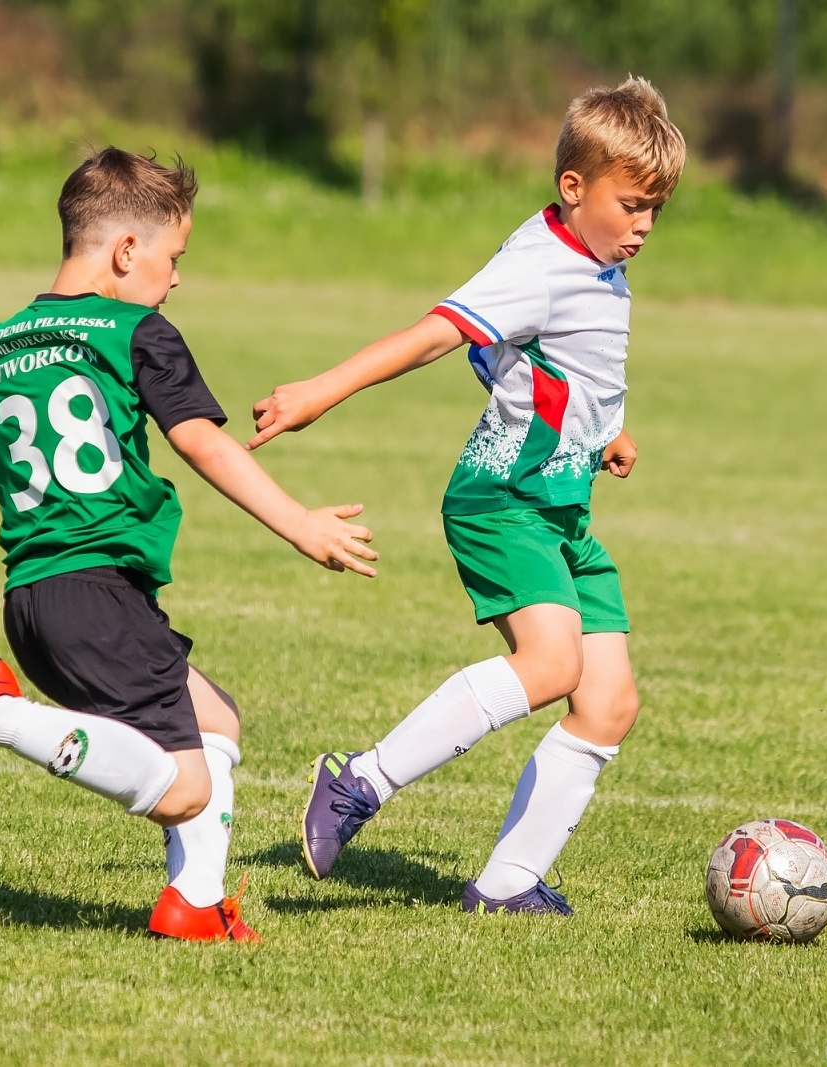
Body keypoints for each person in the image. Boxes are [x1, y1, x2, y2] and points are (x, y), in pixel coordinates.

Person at [0, 147, 378, 941]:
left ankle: (194, 903)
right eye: (174, 259)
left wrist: (11, 352)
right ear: (126, 250)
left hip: (35, 597)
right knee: (184, 790)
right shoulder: (137, 331)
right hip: (95, 593)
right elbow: (202, 442)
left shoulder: (0, 339)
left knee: (217, 718)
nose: (175, 280)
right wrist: (300, 522)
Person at [249, 78, 686, 915]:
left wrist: (609, 428)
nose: (643, 226)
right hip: (503, 500)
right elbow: (435, 336)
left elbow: (564, 361)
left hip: (561, 508)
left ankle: (507, 883)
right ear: (572, 187)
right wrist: (320, 391)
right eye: (631, 205)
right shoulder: (539, 265)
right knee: (553, 664)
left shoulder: (595, 256)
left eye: (655, 211)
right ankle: (359, 780)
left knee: (609, 701)